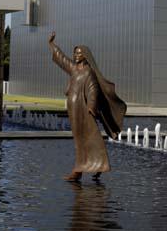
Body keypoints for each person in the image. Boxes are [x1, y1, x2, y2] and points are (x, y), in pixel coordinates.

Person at [48, 32, 126, 182]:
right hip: (74, 108)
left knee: (86, 139)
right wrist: (52, 44)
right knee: (80, 139)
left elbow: (93, 89)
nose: (76, 55)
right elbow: (62, 59)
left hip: (83, 109)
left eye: (79, 53)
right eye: (75, 53)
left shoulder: (88, 72)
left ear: (85, 55)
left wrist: (92, 106)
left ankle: (80, 170)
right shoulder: (74, 68)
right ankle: (92, 166)